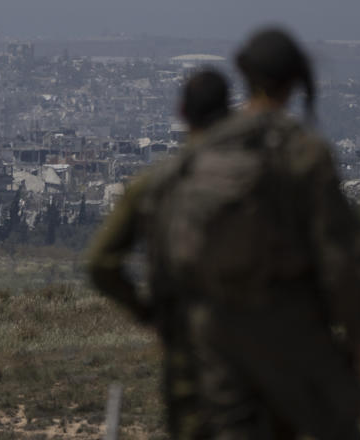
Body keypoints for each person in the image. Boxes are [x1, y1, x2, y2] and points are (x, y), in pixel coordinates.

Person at [161, 28, 360, 440]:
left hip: (216, 331)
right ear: (296, 80)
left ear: (245, 74)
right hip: (290, 327)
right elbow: (339, 258)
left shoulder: (206, 150)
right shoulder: (305, 152)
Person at [87, 68, 231, 440]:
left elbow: (101, 262)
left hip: (187, 342)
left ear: (183, 112)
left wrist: (145, 310)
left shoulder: (157, 183)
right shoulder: (263, 182)